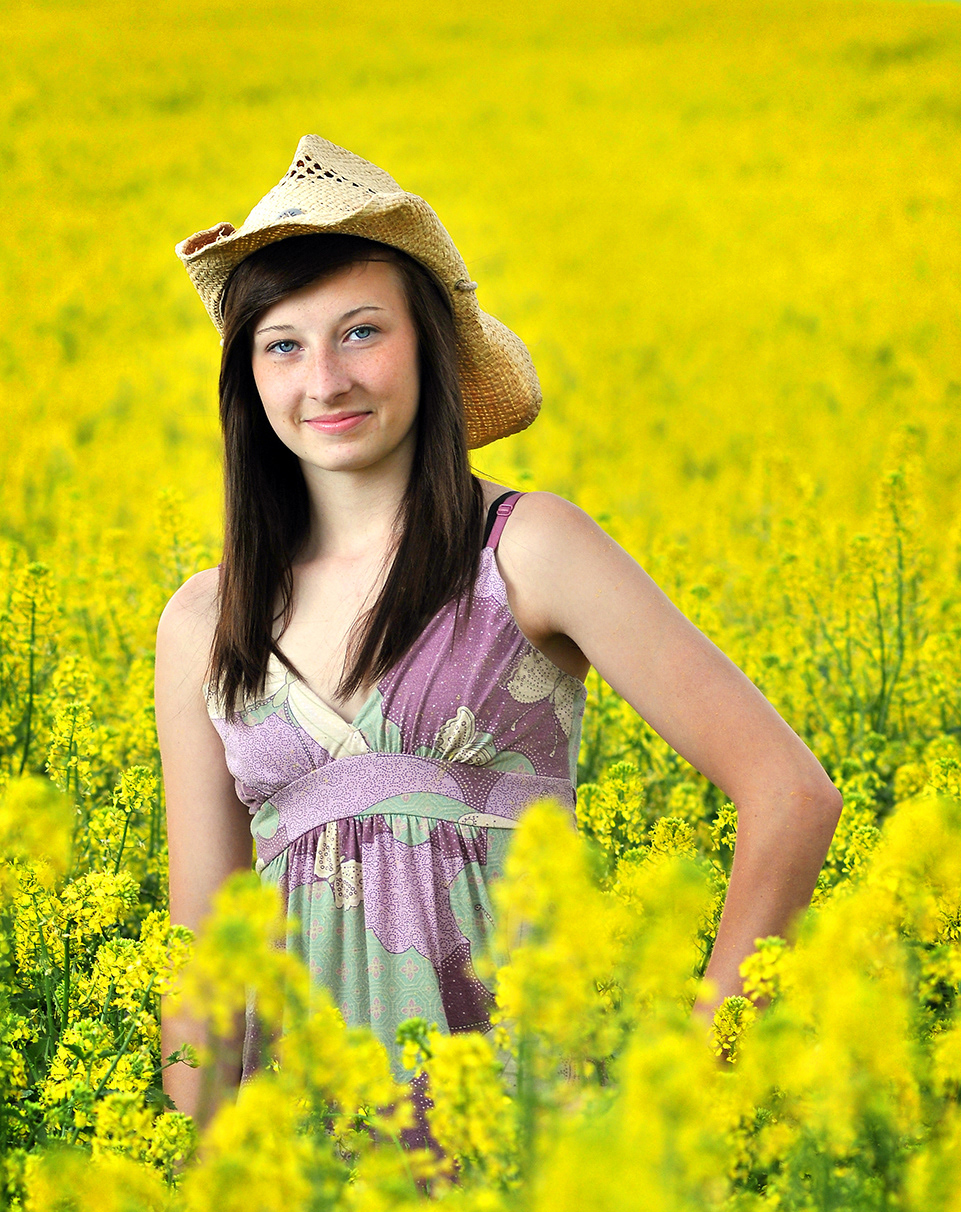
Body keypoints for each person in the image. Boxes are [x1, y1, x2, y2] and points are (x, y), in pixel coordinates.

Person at [155, 134, 842, 1129]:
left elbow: (791, 794)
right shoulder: (204, 623)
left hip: (530, 1133)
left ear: (428, 346)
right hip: (296, 1158)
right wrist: (193, 1184)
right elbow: (203, 953)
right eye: (283, 345)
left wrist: (698, 1085)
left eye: (361, 332)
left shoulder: (529, 549)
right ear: (248, 381)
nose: (325, 380)